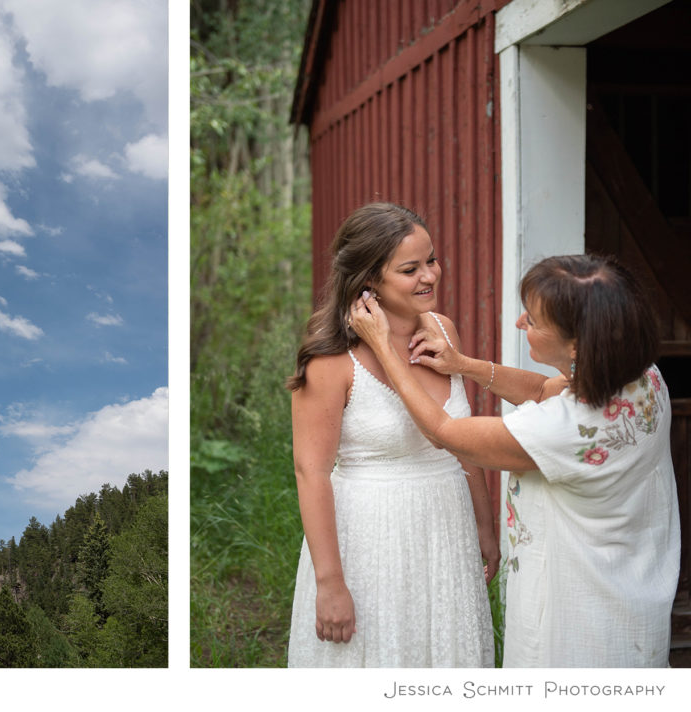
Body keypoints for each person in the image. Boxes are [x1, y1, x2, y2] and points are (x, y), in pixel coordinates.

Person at [349, 253, 681, 667]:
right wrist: (462, 365)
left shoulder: (566, 429)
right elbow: (545, 389)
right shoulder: (643, 377)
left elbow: (443, 432)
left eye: (535, 320)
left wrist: (383, 347)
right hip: (630, 596)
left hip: (573, 622)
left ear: (578, 343)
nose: (522, 322)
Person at [286, 202, 497, 667]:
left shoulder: (443, 331)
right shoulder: (330, 359)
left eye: (432, 260)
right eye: (410, 269)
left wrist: (484, 525)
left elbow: (462, 443)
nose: (430, 276)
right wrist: (330, 583)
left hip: (446, 527)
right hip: (370, 538)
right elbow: (311, 472)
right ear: (369, 279)